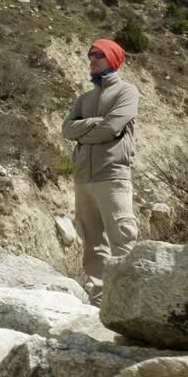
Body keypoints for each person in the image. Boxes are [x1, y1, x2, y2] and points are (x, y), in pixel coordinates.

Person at [61, 38, 140, 301]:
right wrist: (94, 125)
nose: (92, 60)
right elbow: (65, 129)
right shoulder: (84, 98)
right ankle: (99, 300)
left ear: (113, 59)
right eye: (90, 55)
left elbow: (112, 128)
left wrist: (83, 131)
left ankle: (128, 298)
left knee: (122, 237)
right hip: (83, 178)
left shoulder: (127, 92)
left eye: (98, 55)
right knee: (92, 242)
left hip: (113, 174)